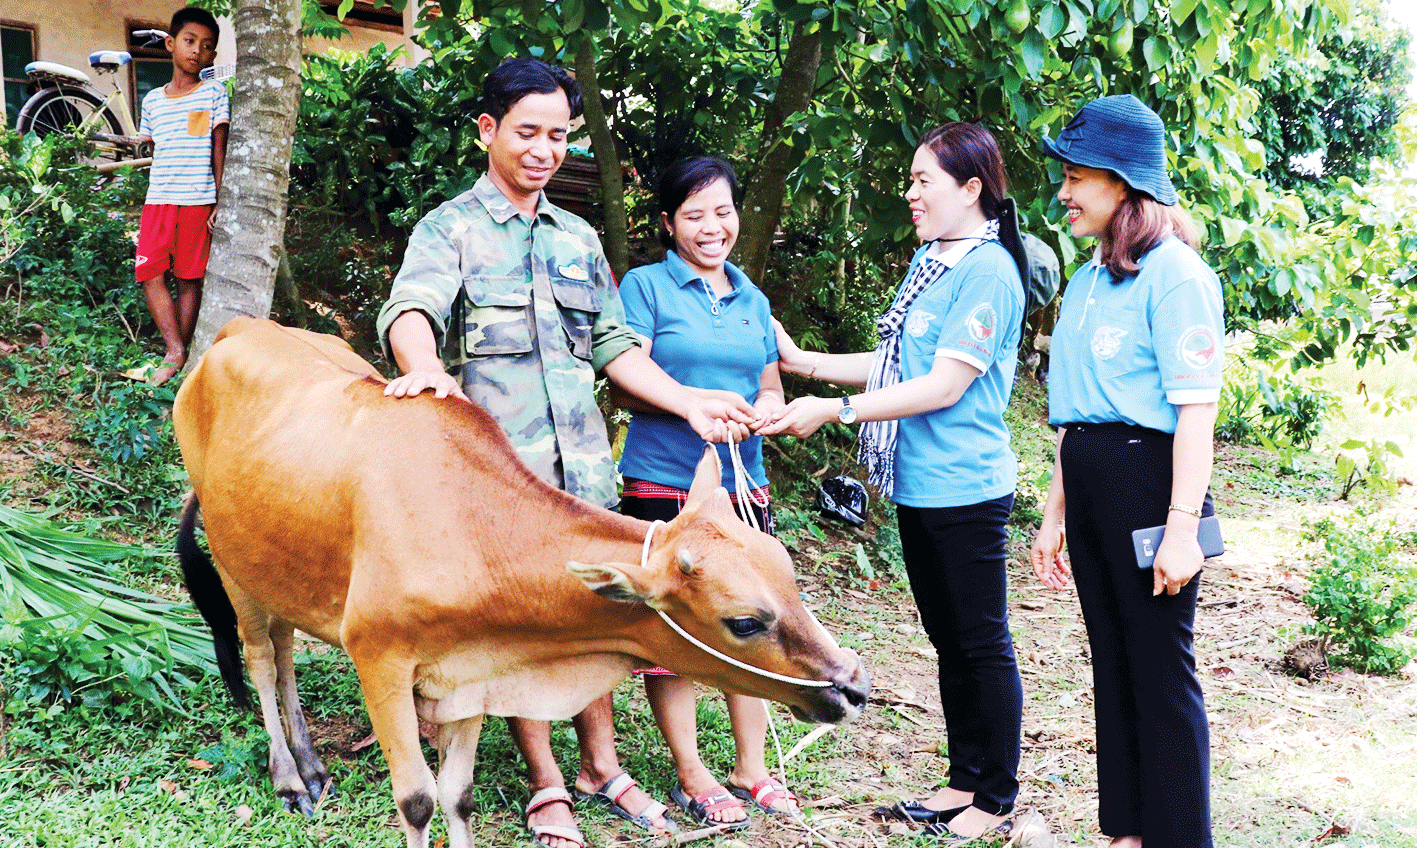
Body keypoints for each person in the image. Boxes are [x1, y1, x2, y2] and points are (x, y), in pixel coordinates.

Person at [374, 58, 755, 848]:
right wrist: (426, 368)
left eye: (557, 134)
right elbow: (410, 309)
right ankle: (548, 781)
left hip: (582, 476)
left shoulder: (578, 237)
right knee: (520, 626)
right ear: (487, 131)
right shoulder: (451, 228)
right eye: (527, 132)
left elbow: (613, 344)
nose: (543, 149)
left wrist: (686, 400)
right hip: (497, 484)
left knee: (590, 619)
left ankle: (601, 763)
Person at [758, 122, 1025, 842]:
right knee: (947, 640)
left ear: (970, 190)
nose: (909, 194)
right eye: (909, 180)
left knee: (980, 642)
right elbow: (894, 363)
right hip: (918, 483)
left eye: (921, 181)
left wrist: (834, 411)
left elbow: (940, 386)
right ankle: (961, 782)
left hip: (966, 487)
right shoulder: (933, 261)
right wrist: (805, 362)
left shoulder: (988, 271)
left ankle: (994, 798)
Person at [1030, 94, 1223, 848]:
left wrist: (1181, 530)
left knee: (1158, 670)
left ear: (1121, 181)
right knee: (1110, 661)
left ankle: (1179, 836)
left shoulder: (1175, 275)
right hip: (1091, 481)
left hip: (1151, 485)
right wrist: (1055, 514)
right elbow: (1076, 416)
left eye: (1076, 173)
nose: (1064, 190)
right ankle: (1128, 831)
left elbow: (1195, 414)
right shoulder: (1087, 280)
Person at [613, 156, 799, 829]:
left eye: (721, 211)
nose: (710, 226)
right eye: (693, 214)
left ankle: (752, 764)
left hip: (743, 484)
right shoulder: (645, 287)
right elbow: (624, 378)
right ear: (668, 223)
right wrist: (691, 404)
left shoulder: (753, 298)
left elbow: (770, 381)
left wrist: (767, 410)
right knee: (678, 626)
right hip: (663, 479)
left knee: (752, 618)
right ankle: (692, 771)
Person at [134, 6, 228, 386]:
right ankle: (175, 347)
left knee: (188, 279)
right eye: (189, 41)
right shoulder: (153, 100)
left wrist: (221, 201)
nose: (196, 51)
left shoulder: (215, 94)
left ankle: (177, 355)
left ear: (213, 56)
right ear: (171, 44)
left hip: (197, 200)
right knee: (149, 272)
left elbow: (218, 152)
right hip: (158, 200)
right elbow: (149, 147)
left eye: (206, 46)